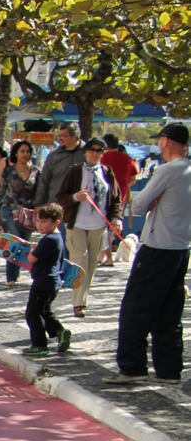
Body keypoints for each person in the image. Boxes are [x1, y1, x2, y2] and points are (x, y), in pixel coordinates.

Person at [104, 123, 191, 386]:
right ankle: (168, 369)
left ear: (165, 141)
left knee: (135, 308)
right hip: (181, 247)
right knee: (169, 311)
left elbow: (139, 205)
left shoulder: (169, 170)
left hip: (157, 247)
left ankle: (132, 366)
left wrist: (152, 201)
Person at [55, 137, 121, 318]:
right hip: (77, 223)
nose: (95, 154)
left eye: (99, 151)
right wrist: (75, 197)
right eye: (92, 150)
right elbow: (61, 196)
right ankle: (78, 304)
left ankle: (83, 299)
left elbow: (115, 199)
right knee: (80, 260)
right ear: (85, 152)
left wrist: (117, 218)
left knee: (92, 265)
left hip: (98, 226)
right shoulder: (75, 171)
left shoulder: (107, 172)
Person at [22, 203, 72, 357]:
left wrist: (32, 250)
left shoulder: (49, 239)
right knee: (45, 311)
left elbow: (32, 258)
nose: (39, 225)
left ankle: (39, 345)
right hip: (52, 282)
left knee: (33, 313)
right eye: (38, 221)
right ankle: (60, 331)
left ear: (56, 222)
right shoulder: (56, 238)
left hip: (43, 282)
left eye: (44, 221)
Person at [0, 140, 40, 287]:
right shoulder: (9, 171)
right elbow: (0, 191)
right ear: (16, 153)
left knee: (24, 244)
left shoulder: (36, 170)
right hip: (9, 211)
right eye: (22, 151)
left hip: (28, 214)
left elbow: (40, 192)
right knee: (14, 241)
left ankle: (18, 273)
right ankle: (10, 277)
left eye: (27, 151)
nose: (25, 154)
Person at [99, 134, 139, 266]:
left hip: (102, 196)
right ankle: (103, 255)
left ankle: (107, 256)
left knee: (103, 227)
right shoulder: (128, 159)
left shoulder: (101, 158)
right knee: (113, 228)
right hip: (120, 196)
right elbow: (132, 180)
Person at [35, 122, 87, 210]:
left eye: (63, 136)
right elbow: (44, 181)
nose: (59, 139)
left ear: (74, 136)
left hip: (81, 207)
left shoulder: (87, 153)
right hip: (57, 205)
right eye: (59, 136)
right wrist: (39, 203)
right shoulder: (54, 156)